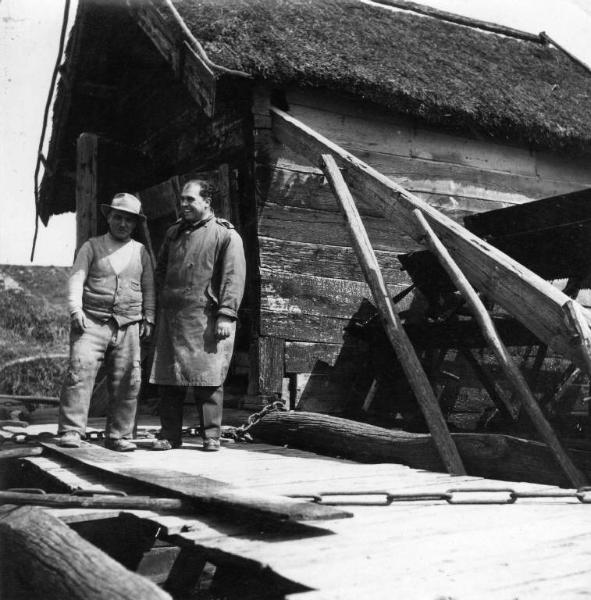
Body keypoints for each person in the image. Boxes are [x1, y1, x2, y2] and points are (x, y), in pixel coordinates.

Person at [149, 178, 246, 451]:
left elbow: (233, 277)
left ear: (207, 201)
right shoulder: (173, 234)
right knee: (170, 378)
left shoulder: (226, 235)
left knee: (208, 378)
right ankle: (169, 435)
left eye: (190, 199)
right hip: (173, 317)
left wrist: (226, 313)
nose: (183, 204)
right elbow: (161, 271)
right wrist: (163, 302)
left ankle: (211, 436)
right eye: (182, 199)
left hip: (206, 316)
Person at [57, 193, 155, 451]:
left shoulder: (140, 252)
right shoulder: (92, 246)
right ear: (109, 218)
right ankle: (71, 431)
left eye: (129, 220)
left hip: (129, 324)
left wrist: (149, 315)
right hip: (91, 322)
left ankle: (119, 435)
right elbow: (76, 278)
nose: (123, 224)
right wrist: (75, 309)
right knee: (80, 373)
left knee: (128, 379)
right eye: (118, 217)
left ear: (135, 224)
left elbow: (149, 287)